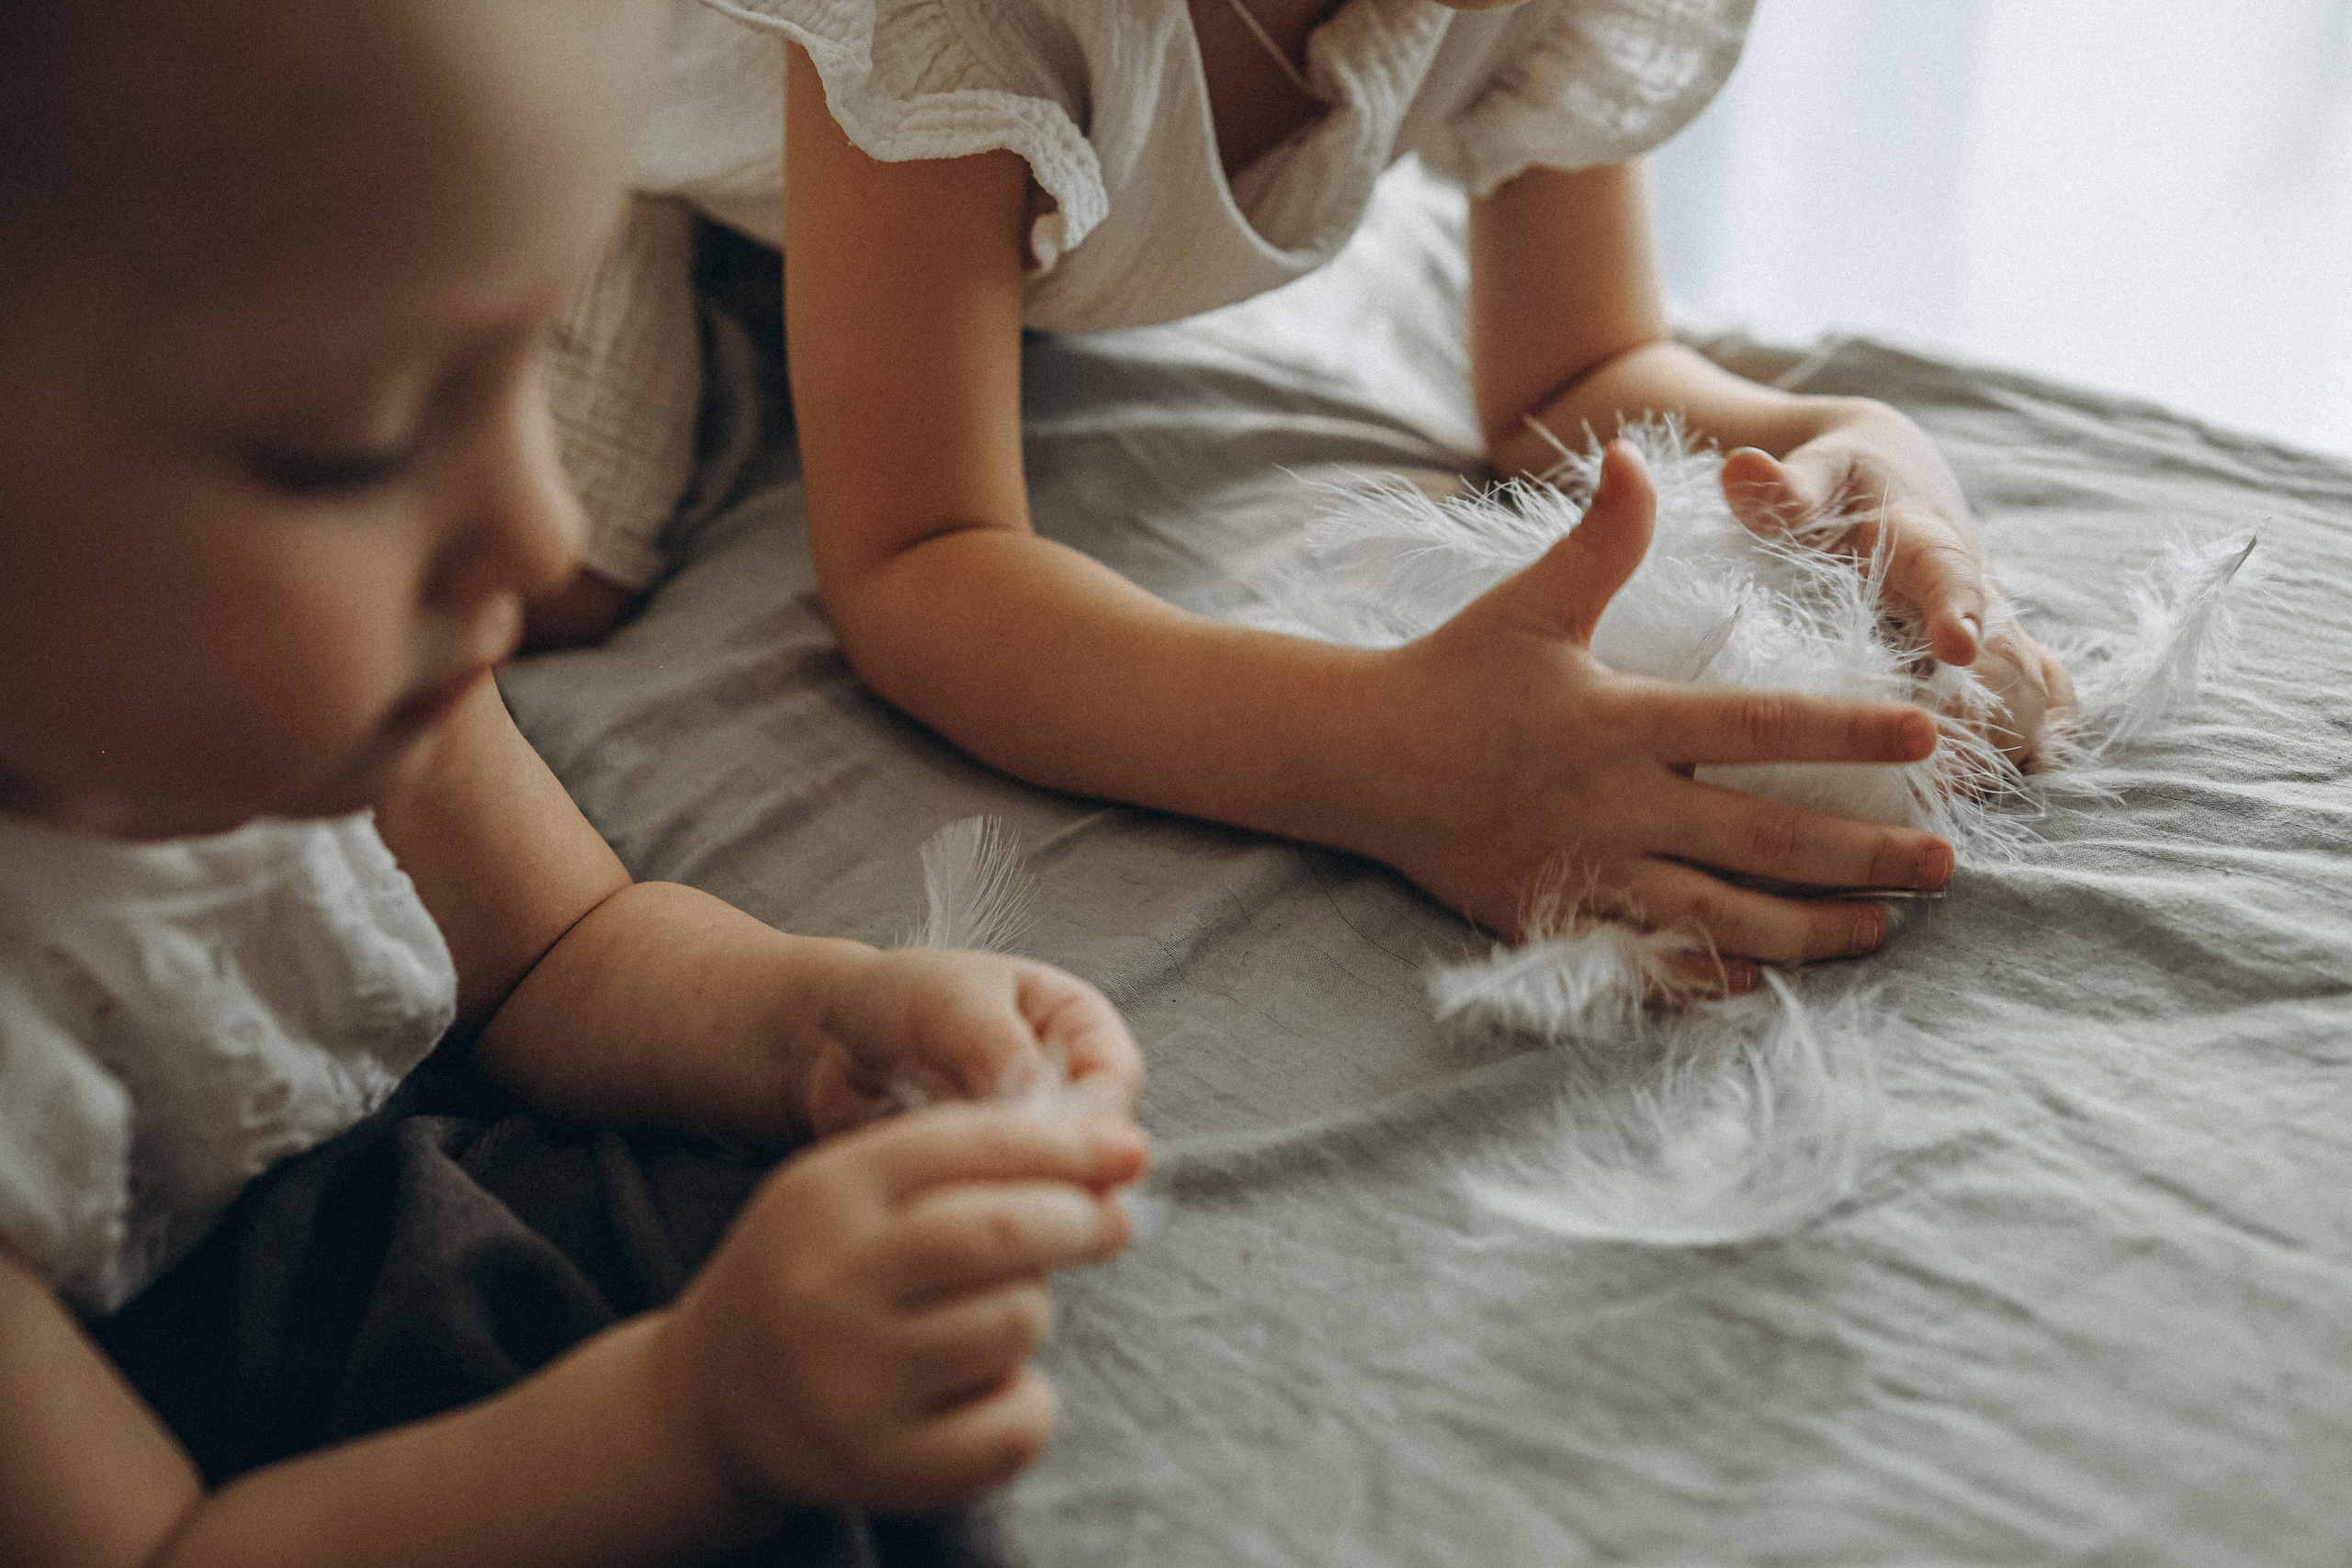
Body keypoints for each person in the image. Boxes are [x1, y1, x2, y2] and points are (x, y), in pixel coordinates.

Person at [0, 3, 1148, 1562]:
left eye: (530, 365)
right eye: (363, 443)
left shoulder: (357, 705)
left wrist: (829, 1023)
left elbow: (562, 952)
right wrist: (690, 1418)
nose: (542, 539)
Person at [531, 0, 2077, 976]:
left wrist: (1857, 443)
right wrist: (1388, 754)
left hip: (950, 190)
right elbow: (922, 559)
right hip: (576, 94)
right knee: (554, 566)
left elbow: (1577, 371)